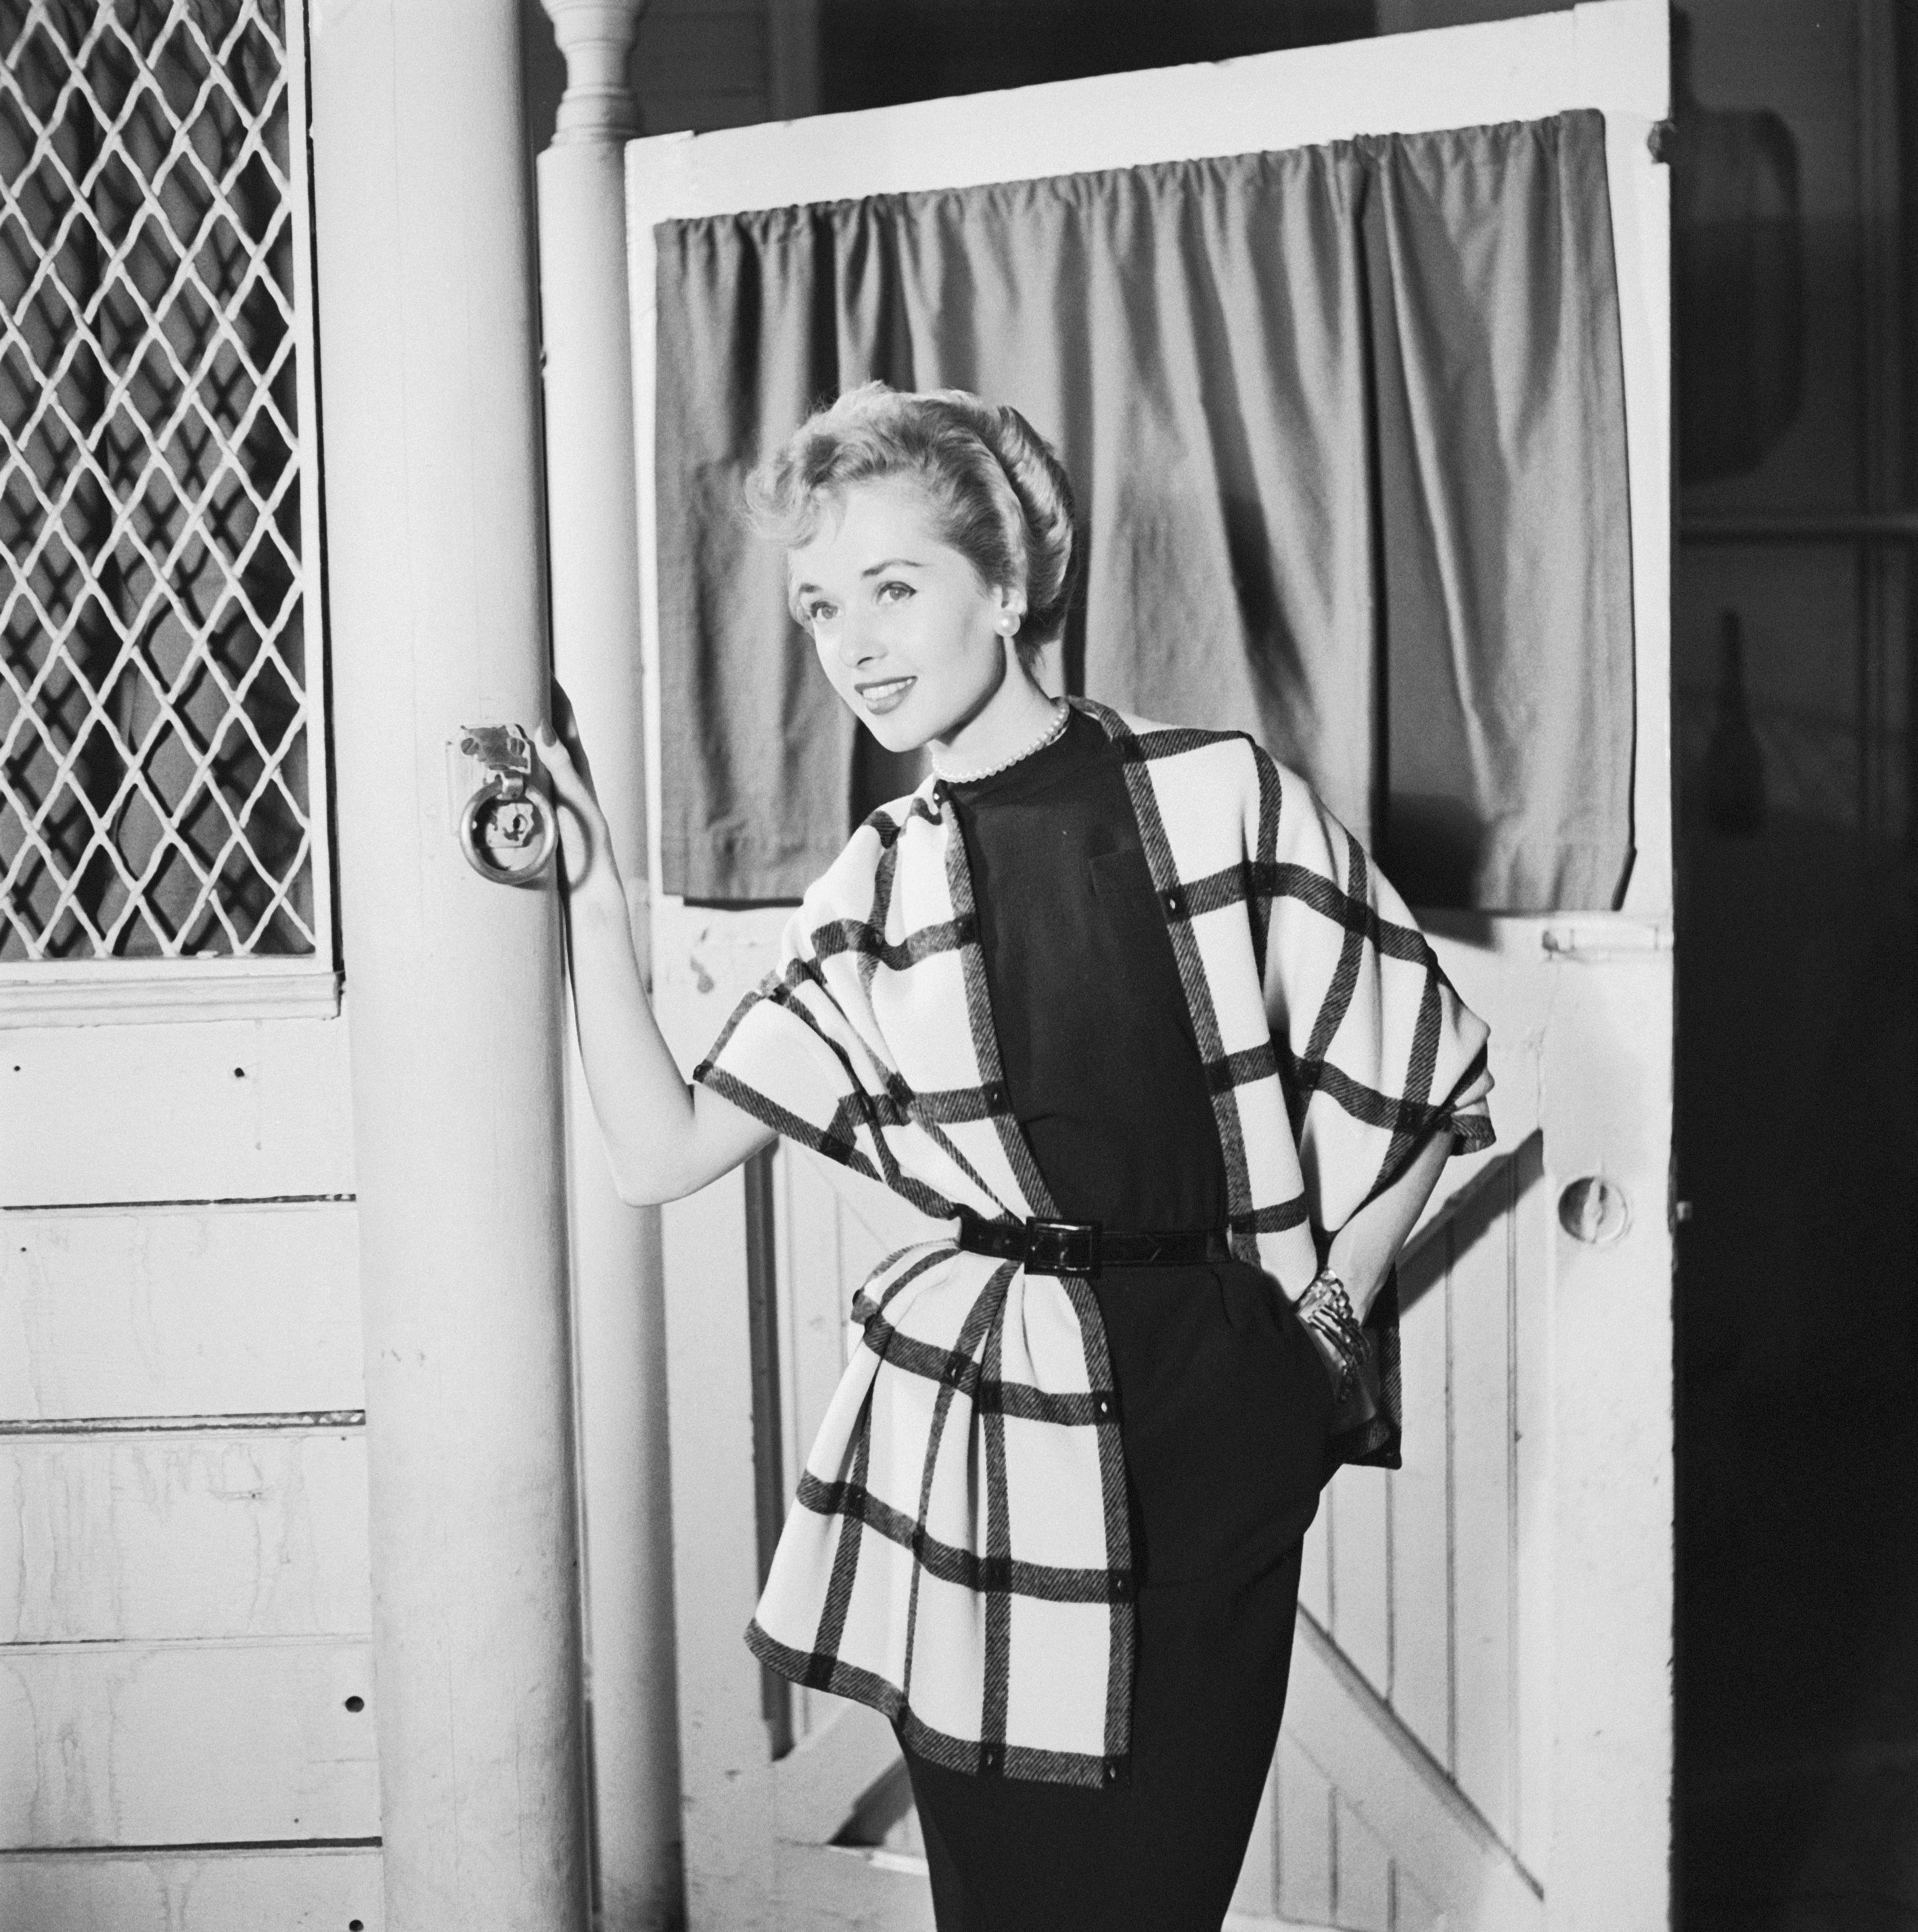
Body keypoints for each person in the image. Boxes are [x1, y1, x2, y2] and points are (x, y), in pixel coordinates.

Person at [535, 382, 1494, 1932]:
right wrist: (588, 895)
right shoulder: (872, 885)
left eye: (894, 588)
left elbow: (1425, 1065)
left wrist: (1315, 1341)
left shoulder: (1213, 793)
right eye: (818, 604)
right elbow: (656, 1155)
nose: (852, 642)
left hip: (1206, 1423)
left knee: (1151, 1905)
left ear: (1007, 582)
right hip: (976, 1453)